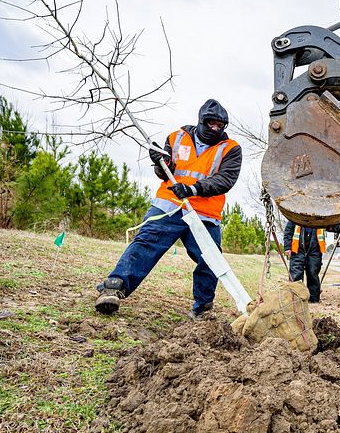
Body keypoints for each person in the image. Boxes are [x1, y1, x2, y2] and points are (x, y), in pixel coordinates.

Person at [95, 99, 242, 318]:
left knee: (211, 259)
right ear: (201, 121)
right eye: (211, 123)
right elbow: (165, 172)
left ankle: (202, 307)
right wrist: (159, 162)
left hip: (205, 214)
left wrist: (193, 189)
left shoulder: (230, 149)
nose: (216, 129)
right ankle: (114, 288)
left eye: (220, 126)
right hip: (168, 206)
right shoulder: (176, 137)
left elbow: (225, 180)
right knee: (145, 244)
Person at [283, 220, 340, 303]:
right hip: (297, 251)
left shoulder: (320, 218)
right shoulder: (295, 217)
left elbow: (333, 225)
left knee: (312, 274)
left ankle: (314, 300)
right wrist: (287, 247)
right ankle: (295, 299)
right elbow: (288, 232)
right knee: (296, 275)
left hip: (314, 251)